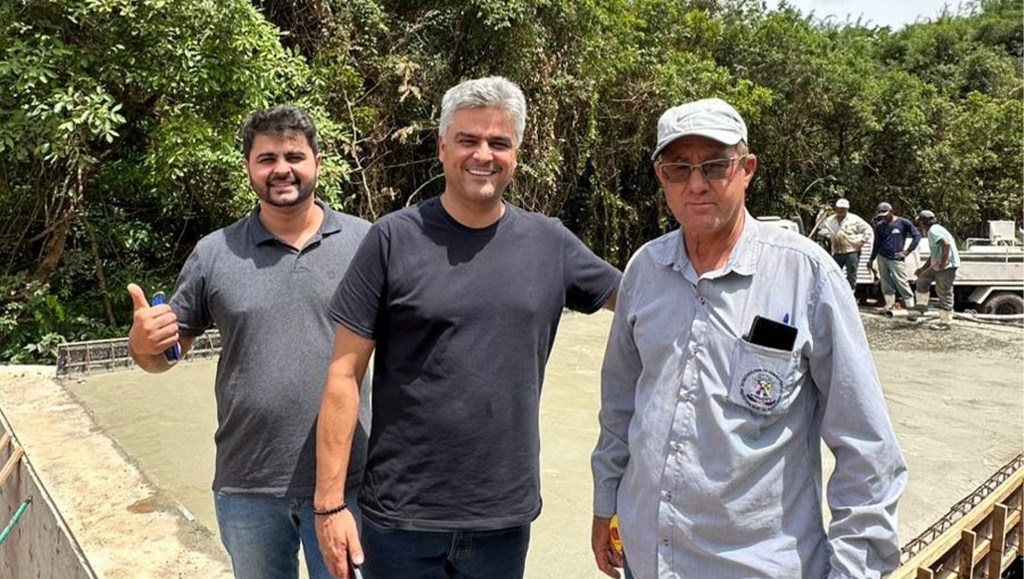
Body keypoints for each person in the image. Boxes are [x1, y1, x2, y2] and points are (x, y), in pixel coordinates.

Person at [312, 76, 621, 579]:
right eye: (468, 140)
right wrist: (329, 506)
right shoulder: (392, 239)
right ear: (441, 147)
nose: (484, 154)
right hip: (400, 517)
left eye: (499, 143)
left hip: (502, 517)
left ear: (516, 154)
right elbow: (344, 375)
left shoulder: (550, 244)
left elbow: (644, 303)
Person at [590, 98, 907, 579]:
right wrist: (604, 503)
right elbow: (620, 408)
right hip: (645, 559)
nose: (696, 184)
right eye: (679, 168)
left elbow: (865, 444)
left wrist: (854, 570)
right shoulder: (644, 270)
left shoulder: (808, 275)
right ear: (662, 177)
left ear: (747, 169)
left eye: (715, 166)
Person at [127, 106, 371, 579]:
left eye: (294, 155)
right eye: (267, 158)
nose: (282, 168)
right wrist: (143, 343)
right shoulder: (214, 253)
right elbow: (165, 356)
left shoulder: (365, 243)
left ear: (318, 163)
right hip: (248, 483)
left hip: (348, 484)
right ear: (249, 169)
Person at [869, 202, 921, 311]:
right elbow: (877, 243)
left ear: (891, 212)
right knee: (885, 282)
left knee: (902, 282)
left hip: (897, 258)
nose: (884, 218)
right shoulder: (880, 226)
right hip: (882, 257)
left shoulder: (903, 222)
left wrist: (907, 252)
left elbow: (917, 236)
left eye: (885, 215)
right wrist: (872, 258)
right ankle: (889, 304)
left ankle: (910, 305)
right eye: (881, 216)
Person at [914, 209, 959, 327]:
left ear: (922, 222)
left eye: (919, 222)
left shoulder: (933, 231)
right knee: (923, 278)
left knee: (944, 292)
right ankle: (922, 306)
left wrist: (943, 263)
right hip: (937, 264)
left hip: (946, 266)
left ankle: (945, 322)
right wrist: (923, 268)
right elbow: (935, 252)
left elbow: (946, 244)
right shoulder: (936, 229)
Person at [821, 198, 873, 291]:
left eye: (843, 209)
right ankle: (837, 291)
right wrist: (823, 212)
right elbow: (820, 225)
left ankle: (850, 293)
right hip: (837, 251)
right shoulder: (830, 220)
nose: (841, 210)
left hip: (851, 250)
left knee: (851, 273)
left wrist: (862, 242)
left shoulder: (854, 219)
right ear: (836, 209)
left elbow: (868, 230)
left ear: (847, 209)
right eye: (839, 208)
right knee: (833, 272)